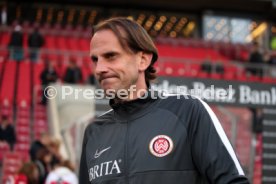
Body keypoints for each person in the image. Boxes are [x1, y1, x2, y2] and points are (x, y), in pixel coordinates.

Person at [79, 17, 249, 184]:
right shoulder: (94, 132)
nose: (99, 69)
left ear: (143, 60)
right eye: (95, 60)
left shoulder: (187, 111)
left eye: (111, 56)